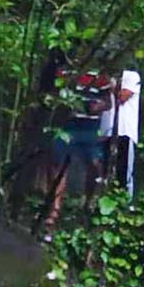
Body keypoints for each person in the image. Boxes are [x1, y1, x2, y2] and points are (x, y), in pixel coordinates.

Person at [45, 68, 112, 227]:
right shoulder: (67, 72)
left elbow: (108, 103)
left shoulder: (101, 77)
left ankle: (88, 202)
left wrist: (97, 106)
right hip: (69, 125)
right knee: (57, 162)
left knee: (94, 164)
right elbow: (55, 94)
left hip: (91, 127)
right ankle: (54, 208)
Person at [101, 68, 141, 196]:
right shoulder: (103, 74)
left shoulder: (132, 76)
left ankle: (123, 201)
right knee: (103, 172)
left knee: (123, 174)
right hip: (106, 132)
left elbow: (122, 96)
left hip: (124, 132)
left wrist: (111, 84)